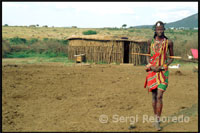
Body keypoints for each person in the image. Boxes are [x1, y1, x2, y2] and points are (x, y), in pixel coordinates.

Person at [144, 21, 174, 131]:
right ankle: (156, 116)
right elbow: (148, 56)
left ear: (164, 30)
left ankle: (157, 121)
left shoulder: (169, 42)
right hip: (152, 71)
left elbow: (171, 57)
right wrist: (150, 66)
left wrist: (162, 66)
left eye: (162, 29)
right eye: (158, 29)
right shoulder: (150, 41)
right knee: (153, 96)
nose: (160, 31)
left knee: (160, 96)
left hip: (162, 72)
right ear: (155, 30)